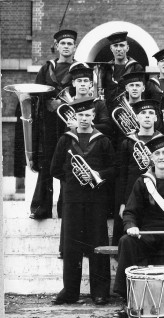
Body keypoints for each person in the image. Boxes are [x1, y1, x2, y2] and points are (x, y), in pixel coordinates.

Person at [112, 134, 164, 318]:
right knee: (126, 240)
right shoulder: (143, 181)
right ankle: (128, 302)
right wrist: (131, 226)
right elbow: (130, 212)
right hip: (148, 234)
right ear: (151, 158)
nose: (161, 157)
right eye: (157, 153)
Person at [50, 97, 116, 305]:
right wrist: (75, 178)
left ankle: (100, 292)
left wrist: (96, 175)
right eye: (80, 115)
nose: (84, 119)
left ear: (94, 116)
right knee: (71, 247)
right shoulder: (65, 139)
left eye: (88, 115)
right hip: (73, 199)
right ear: (74, 117)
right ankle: (70, 292)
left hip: (97, 200)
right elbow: (55, 169)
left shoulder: (103, 140)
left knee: (98, 245)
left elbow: (114, 169)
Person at [29, 29, 77, 220]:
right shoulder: (46, 68)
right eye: (62, 43)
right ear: (57, 46)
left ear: (75, 47)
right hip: (48, 124)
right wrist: (48, 101)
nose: (66, 47)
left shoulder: (80, 68)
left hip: (69, 123)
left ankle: (65, 210)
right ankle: (42, 208)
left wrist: (65, 103)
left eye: (69, 43)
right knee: (47, 164)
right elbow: (35, 93)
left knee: (68, 164)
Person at [113, 99, 162, 246]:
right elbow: (121, 175)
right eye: (143, 113)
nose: (147, 116)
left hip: (157, 194)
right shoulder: (127, 142)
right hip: (131, 195)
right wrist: (122, 203)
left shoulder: (163, 141)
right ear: (137, 117)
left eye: (151, 113)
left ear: (156, 118)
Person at [68, 63, 113, 136]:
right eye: (79, 81)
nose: (82, 84)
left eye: (85, 81)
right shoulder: (68, 105)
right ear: (73, 83)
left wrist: (80, 126)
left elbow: (107, 127)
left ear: (91, 84)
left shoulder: (98, 103)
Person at [103, 31, 144, 104]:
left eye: (122, 45)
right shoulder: (106, 68)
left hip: (129, 108)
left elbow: (141, 92)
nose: (118, 49)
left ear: (127, 48)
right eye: (115, 45)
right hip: (108, 108)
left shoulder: (136, 67)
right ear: (111, 48)